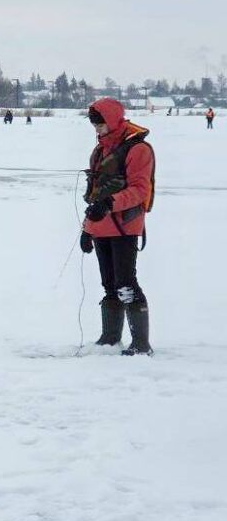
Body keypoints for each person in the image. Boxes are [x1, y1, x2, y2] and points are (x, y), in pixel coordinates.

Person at [79, 97, 155, 356]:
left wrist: (110, 203)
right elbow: (94, 196)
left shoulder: (138, 150)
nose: (96, 129)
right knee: (110, 285)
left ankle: (141, 345)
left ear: (112, 120)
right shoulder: (99, 151)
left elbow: (139, 191)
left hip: (125, 227)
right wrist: (86, 231)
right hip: (100, 228)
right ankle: (110, 339)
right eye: (94, 125)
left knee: (126, 284)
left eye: (100, 124)